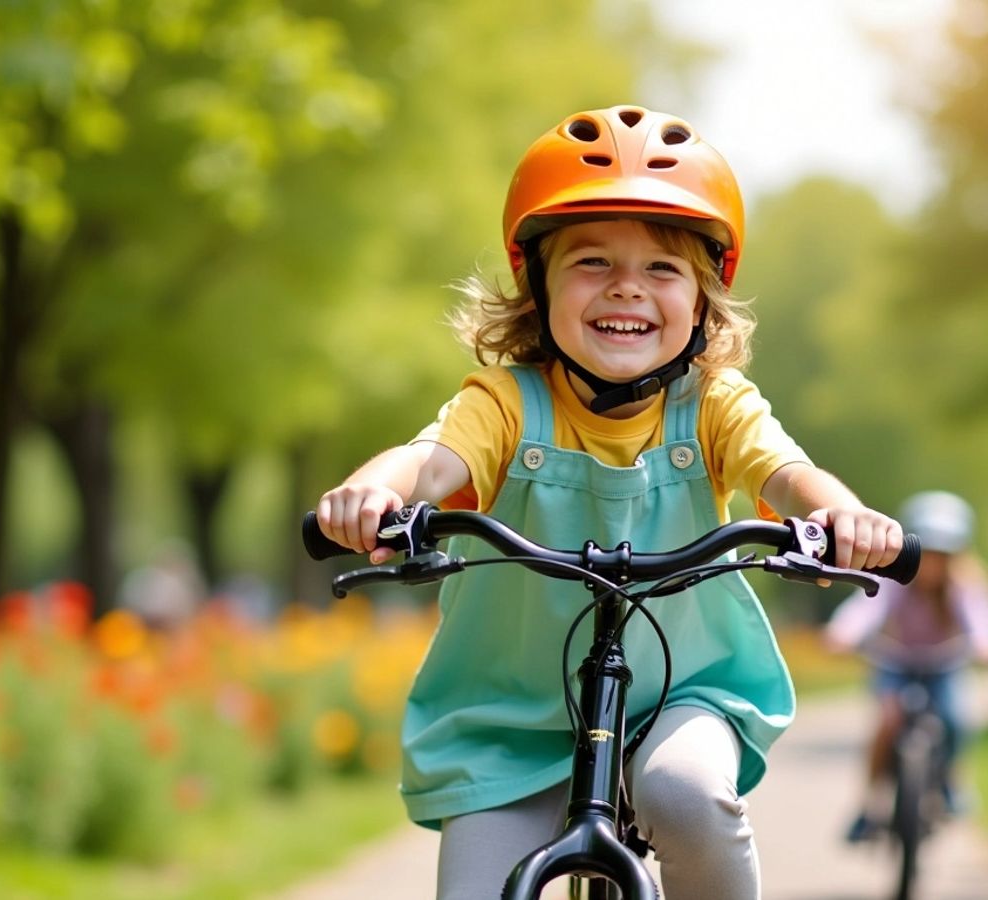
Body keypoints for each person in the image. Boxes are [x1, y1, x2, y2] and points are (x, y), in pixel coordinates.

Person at [314, 104, 903, 900]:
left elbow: (789, 476)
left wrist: (843, 516)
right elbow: (428, 461)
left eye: (662, 269)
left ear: (702, 300)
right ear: (538, 284)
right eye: (591, 261)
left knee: (687, 796)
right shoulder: (506, 403)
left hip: (682, 691)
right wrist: (372, 492)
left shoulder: (715, 404)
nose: (627, 287)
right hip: (509, 716)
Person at [826, 490, 988, 842]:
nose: (931, 563)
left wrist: (982, 646)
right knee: (887, 722)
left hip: (943, 664)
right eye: (926, 552)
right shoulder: (894, 579)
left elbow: (979, 622)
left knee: (955, 719)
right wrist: (843, 632)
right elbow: (865, 608)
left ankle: (948, 783)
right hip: (895, 661)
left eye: (942, 555)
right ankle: (869, 806)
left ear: (955, 556)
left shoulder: (963, 586)